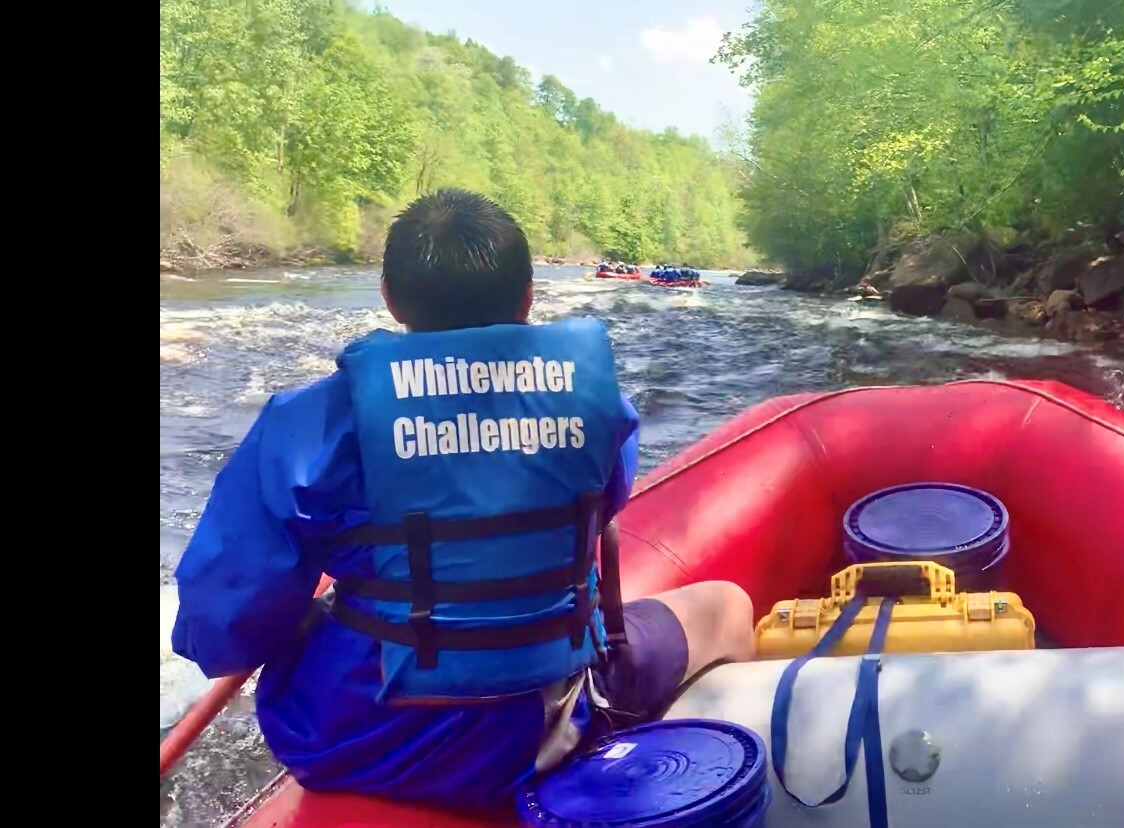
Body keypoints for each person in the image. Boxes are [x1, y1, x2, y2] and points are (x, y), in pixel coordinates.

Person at [170, 189, 756, 808]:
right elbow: (594, 511)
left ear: (390, 298)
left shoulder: (307, 424)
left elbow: (222, 629)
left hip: (348, 739)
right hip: (541, 727)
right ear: (529, 297)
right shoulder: (599, 408)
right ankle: (692, 789)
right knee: (728, 605)